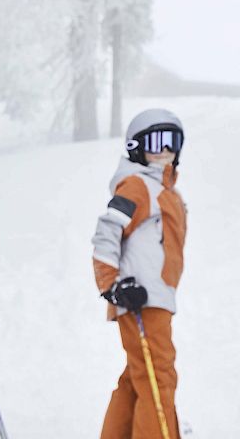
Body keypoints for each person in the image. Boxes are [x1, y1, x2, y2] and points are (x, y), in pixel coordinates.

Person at [92, 108, 188, 439]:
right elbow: (107, 231)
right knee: (158, 375)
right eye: (155, 142)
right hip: (140, 297)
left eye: (172, 142)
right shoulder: (137, 186)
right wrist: (112, 285)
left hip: (155, 297)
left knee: (137, 377)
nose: (165, 151)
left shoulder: (164, 192)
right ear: (136, 147)